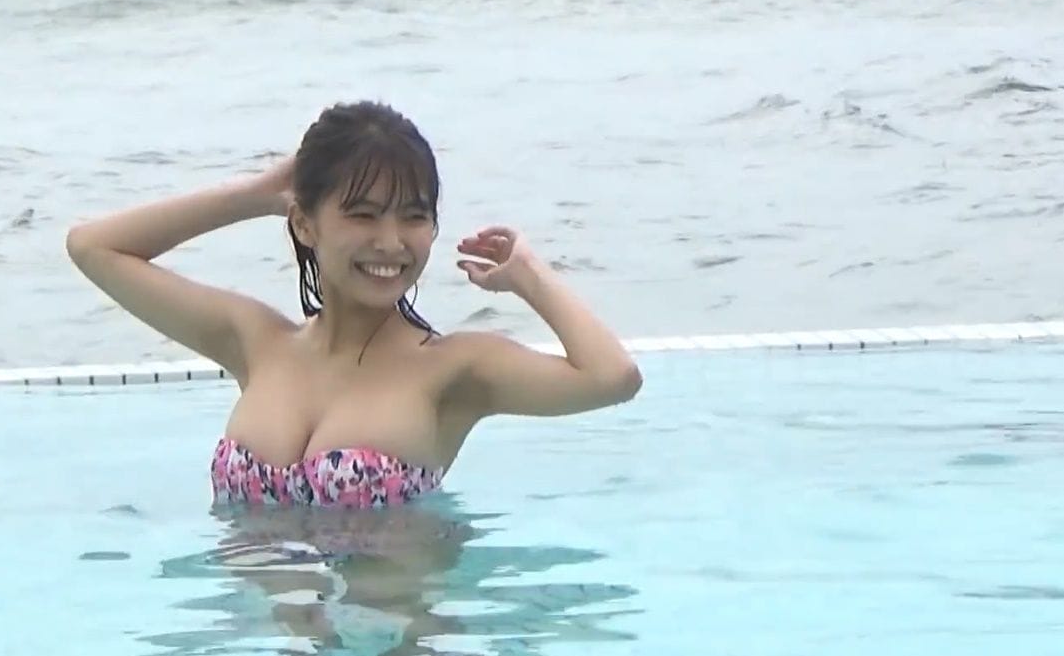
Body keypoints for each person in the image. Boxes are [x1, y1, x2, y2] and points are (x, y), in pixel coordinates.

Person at [65, 100, 641, 507]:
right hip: (252, 640)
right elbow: (93, 248)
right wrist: (254, 195)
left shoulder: (452, 371)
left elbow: (613, 378)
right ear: (305, 224)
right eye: (363, 215)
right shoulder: (257, 342)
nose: (391, 243)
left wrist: (531, 278)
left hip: (392, 644)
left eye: (414, 217)